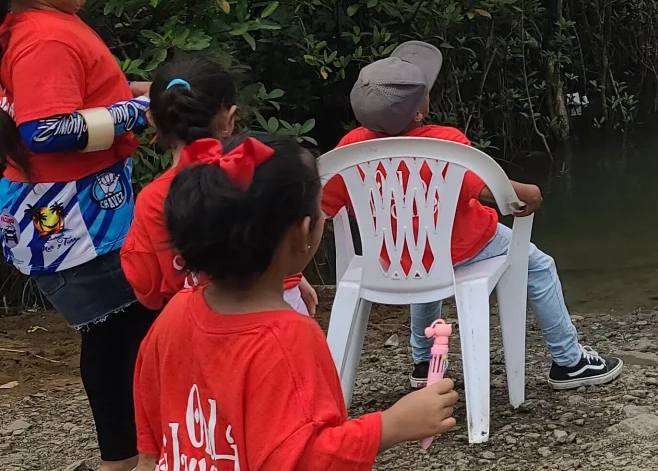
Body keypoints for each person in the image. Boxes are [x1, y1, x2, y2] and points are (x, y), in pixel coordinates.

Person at [134, 133, 457, 469]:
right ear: (303, 233)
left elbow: (149, 442)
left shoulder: (173, 316)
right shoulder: (287, 338)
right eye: (319, 210)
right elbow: (306, 458)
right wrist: (391, 426)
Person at [319, 41, 622, 389]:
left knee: (421, 265)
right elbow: (500, 194)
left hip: (393, 261)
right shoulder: (444, 144)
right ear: (419, 112)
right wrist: (532, 193)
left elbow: (322, 206)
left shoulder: (350, 149)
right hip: (464, 247)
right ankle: (569, 361)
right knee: (538, 265)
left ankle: (425, 361)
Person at [0, 0, 154, 471]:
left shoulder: (28, 28)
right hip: (74, 218)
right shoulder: (46, 37)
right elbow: (43, 129)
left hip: (66, 209)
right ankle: (134, 456)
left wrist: (133, 92)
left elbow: (69, 102)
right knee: (126, 335)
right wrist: (138, 111)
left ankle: (127, 457)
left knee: (114, 335)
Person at [121, 54, 317, 315]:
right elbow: (278, 239)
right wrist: (293, 277)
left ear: (153, 119)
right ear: (228, 118)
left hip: (194, 319)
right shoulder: (255, 169)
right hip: (278, 304)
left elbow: (147, 287)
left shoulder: (153, 198)